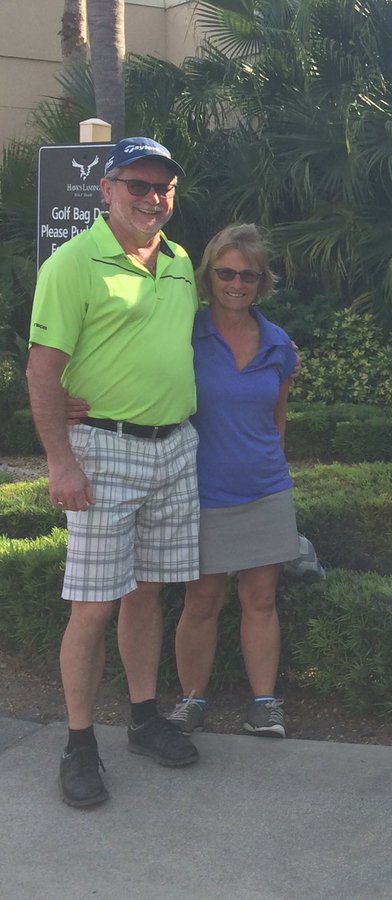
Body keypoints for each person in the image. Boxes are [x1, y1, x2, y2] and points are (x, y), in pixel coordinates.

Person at [27, 137, 202, 808]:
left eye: (162, 187)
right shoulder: (73, 263)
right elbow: (43, 368)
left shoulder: (181, 261)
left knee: (147, 595)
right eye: (137, 185)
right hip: (102, 451)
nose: (152, 198)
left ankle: (143, 718)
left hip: (173, 447)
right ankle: (77, 744)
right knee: (94, 606)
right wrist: (60, 460)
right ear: (106, 191)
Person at [165, 224, 299, 739]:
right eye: (226, 272)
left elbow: (278, 419)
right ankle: (191, 699)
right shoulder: (185, 334)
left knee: (261, 599)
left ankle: (264, 704)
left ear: (261, 281)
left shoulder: (278, 344)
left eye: (248, 274)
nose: (236, 283)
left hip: (265, 489)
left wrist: (270, 470)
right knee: (201, 600)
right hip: (201, 492)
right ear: (209, 274)